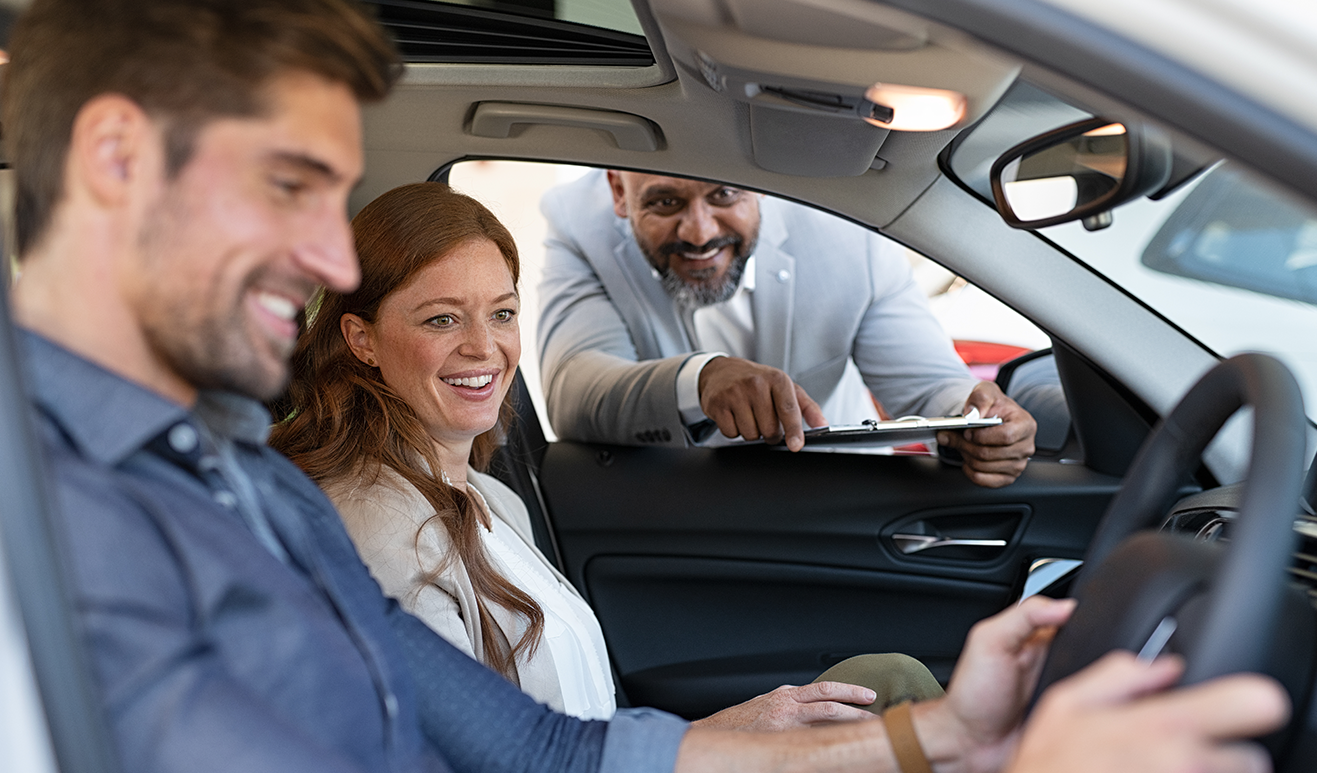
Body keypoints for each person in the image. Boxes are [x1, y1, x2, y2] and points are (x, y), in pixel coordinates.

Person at [4, 1, 1289, 772]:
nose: (331, 257)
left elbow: (543, 750)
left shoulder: (232, 478)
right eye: (290, 183)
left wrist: (944, 736)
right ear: (118, 156)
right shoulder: (51, 535)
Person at [270, 181, 945, 728]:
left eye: (501, 313)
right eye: (441, 318)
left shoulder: (489, 496)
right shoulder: (376, 531)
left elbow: (576, 719)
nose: (484, 347)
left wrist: (727, 730)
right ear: (361, 338)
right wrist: (712, 743)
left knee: (884, 685)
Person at [537, 170, 1047, 487]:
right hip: (677, 514)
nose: (699, 232)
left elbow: (933, 386)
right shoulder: (577, 225)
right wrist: (702, 381)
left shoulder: (848, 231)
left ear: (757, 183)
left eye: (725, 193)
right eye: (666, 203)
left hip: (834, 497)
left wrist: (977, 420)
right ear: (618, 191)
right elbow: (573, 391)